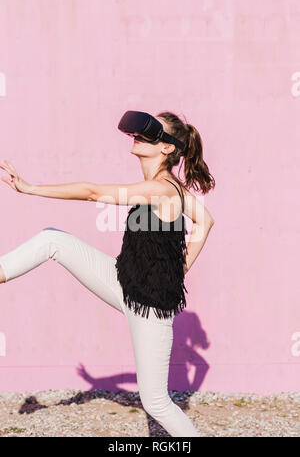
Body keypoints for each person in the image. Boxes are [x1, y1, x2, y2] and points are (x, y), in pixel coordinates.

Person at [0, 110, 215, 437]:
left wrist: (29, 189)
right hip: (123, 280)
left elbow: (92, 193)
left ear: (167, 148)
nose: (138, 135)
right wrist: (181, 269)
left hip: (150, 308)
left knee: (156, 402)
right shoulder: (168, 187)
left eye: (150, 133)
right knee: (52, 240)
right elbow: (206, 220)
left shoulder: (162, 190)